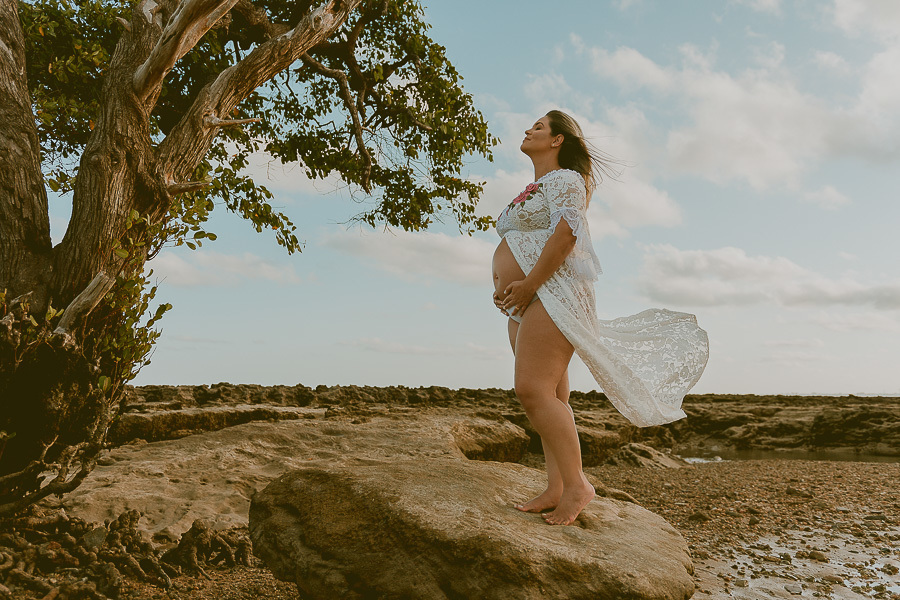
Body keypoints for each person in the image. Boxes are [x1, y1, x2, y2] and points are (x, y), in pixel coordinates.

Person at [491, 110, 709, 526]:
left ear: (557, 140)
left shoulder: (566, 180)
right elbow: (524, 239)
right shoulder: (537, 186)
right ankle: (556, 486)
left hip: (551, 295)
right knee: (552, 397)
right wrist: (507, 284)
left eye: (538, 126)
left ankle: (577, 486)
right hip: (528, 299)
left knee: (531, 390)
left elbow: (566, 234)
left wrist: (531, 283)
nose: (528, 129)